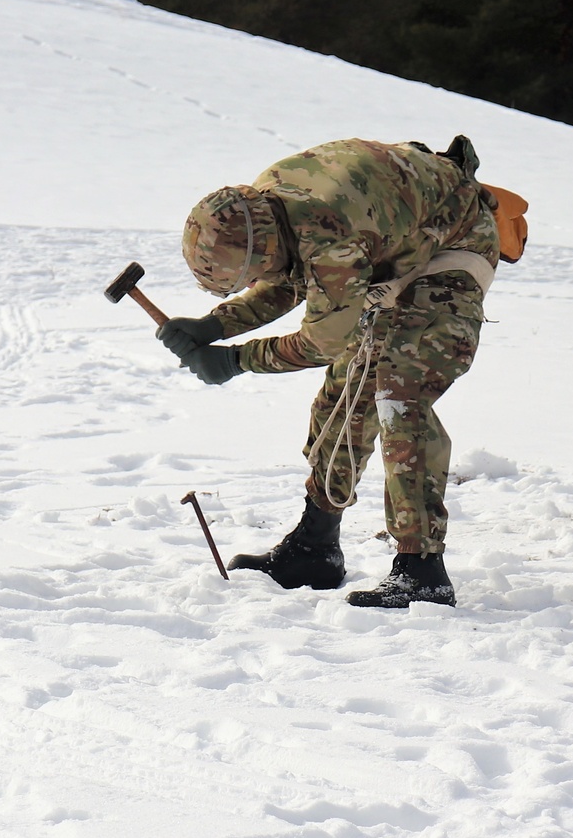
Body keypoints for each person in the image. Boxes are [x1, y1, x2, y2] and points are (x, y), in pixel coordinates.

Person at [158, 136, 500, 609]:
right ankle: (314, 548)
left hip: (454, 247)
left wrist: (235, 360)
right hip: (387, 248)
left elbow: (321, 340)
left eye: (251, 277)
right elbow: (292, 276)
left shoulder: (328, 233)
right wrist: (217, 322)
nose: (256, 285)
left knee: (400, 393)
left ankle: (422, 572)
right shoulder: (266, 205)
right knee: (347, 388)